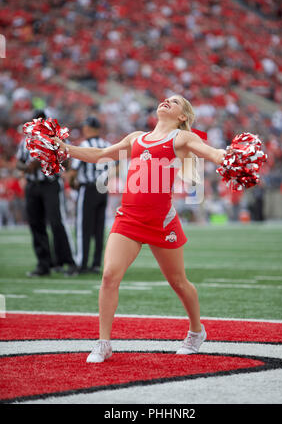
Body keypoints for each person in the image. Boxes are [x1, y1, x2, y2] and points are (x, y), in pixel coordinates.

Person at [54, 95, 226, 362]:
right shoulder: (136, 137)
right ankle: (103, 343)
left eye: (176, 102)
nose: (167, 101)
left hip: (161, 221)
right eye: (166, 99)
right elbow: (100, 155)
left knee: (178, 282)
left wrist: (230, 157)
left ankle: (196, 331)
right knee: (110, 275)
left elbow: (213, 153)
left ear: (183, 117)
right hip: (129, 219)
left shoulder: (181, 139)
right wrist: (63, 147)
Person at [16, 110, 77, 277]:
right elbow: (19, 163)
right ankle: (44, 264)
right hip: (32, 185)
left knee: (57, 223)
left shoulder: (56, 138)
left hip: (50, 184)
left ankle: (68, 261)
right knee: (36, 224)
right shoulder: (26, 141)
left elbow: (69, 156)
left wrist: (48, 159)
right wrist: (27, 168)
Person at [68, 116, 111, 274]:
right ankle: (96, 264)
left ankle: (81, 263)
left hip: (87, 189)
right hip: (102, 189)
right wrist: (107, 177)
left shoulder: (85, 145)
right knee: (99, 228)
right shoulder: (106, 145)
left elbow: (74, 171)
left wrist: (73, 183)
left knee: (83, 228)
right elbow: (118, 165)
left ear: (87, 128)